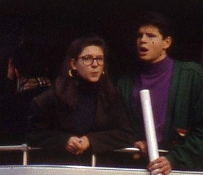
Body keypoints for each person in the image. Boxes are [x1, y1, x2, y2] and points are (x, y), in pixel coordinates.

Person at [116, 11, 203, 175]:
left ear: (166, 42)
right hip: (138, 172)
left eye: (151, 36)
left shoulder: (191, 75)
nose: (143, 40)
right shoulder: (125, 83)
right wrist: (134, 142)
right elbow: (119, 127)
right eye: (140, 35)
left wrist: (174, 158)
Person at [27, 35, 130, 163]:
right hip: (61, 168)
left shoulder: (111, 95)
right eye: (87, 59)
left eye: (99, 59)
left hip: (100, 170)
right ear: (73, 64)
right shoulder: (52, 97)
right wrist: (64, 140)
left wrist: (91, 140)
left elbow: (126, 134)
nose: (95, 64)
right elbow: (34, 135)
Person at [0, 42, 52, 149]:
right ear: (46, 68)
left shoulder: (10, 103)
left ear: (16, 72)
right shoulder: (62, 97)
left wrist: (8, 81)